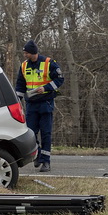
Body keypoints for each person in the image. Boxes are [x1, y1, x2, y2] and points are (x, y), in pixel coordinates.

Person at [15, 40, 64, 172]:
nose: (24, 55)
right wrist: (17, 100)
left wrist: (46, 87)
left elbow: (60, 79)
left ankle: (46, 162)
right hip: (31, 104)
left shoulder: (48, 63)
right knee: (31, 133)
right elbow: (20, 85)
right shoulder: (24, 66)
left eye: (26, 53)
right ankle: (38, 154)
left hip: (45, 103)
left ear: (33, 52)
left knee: (46, 134)